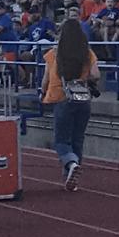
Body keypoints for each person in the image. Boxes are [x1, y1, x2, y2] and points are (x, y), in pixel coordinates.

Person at [41, 18, 100, 192]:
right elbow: (96, 74)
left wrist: (41, 91)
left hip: (61, 96)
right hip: (83, 96)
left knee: (61, 140)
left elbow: (46, 79)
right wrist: (83, 79)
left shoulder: (53, 54)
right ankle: (72, 173)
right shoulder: (87, 53)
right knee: (77, 138)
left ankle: (70, 163)